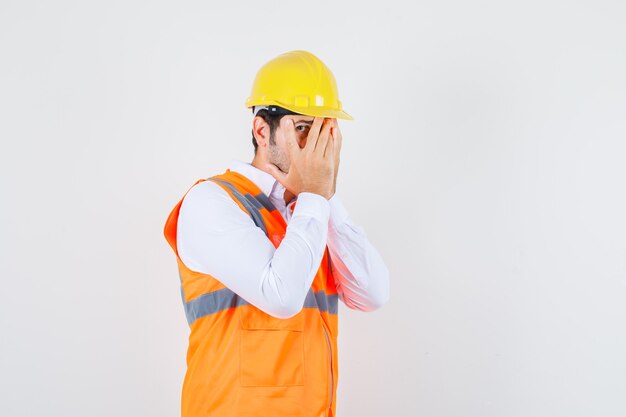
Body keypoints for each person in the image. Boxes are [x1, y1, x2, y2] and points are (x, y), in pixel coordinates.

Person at [163, 50, 390, 417]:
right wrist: (315, 195)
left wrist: (324, 197)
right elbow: (280, 296)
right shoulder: (212, 201)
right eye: (303, 129)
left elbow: (373, 294)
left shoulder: (310, 215)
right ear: (261, 130)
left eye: (324, 131)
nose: (314, 147)